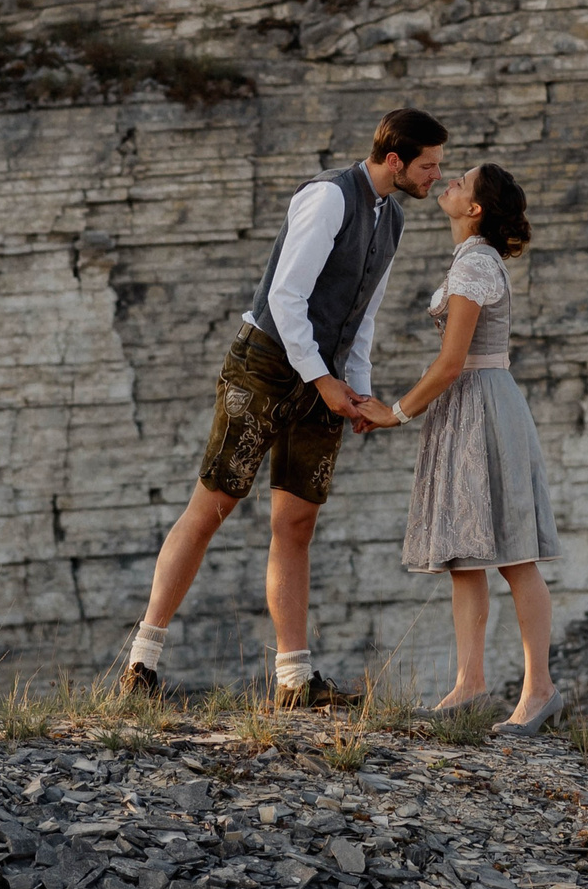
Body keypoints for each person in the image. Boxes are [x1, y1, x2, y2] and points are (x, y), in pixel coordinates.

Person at [121, 108, 446, 709]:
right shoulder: (327, 198)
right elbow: (285, 298)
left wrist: (358, 390)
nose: (435, 178)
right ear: (395, 160)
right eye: (428, 165)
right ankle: (141, 664)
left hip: (324, 378)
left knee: (297, 524)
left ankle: (294, 682)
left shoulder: (392, 219)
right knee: (213, 504)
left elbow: (363, 315)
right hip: (268, 364)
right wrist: (324, 380)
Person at [392, 163, 563, 734]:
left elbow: (450, 363)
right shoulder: (470, 260)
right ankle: (470, 683)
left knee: (514, 552)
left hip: (482, 404)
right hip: (468, 407)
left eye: (461, 182)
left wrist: (394, 412)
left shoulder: (476, 263)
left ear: (476, 209)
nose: (449, 184)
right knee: (466, 554)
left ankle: (538, 690)